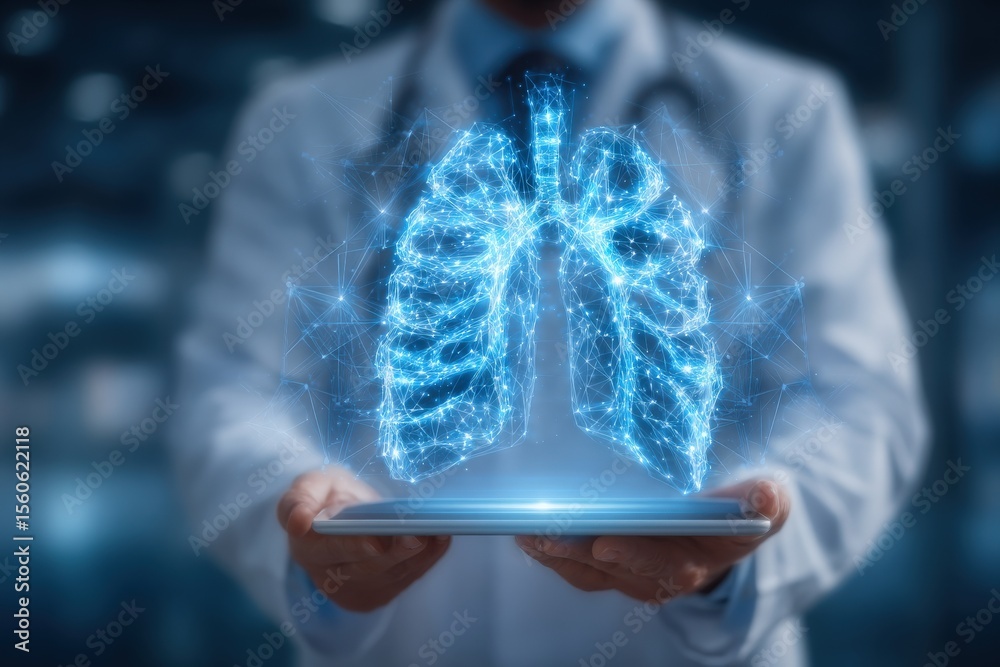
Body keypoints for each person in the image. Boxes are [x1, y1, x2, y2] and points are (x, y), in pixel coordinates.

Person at [172, 0, 929, 664]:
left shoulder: (789, 110)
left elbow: (860, 400)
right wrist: (313, 538)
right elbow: (230, 392)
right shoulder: (302, 118)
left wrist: (744, 550)